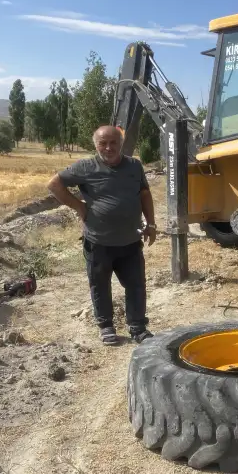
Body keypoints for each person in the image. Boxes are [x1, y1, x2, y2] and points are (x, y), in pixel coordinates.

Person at [47, 125, 157, 345]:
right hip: (99, 242)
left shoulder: (134, 166)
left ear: (121, 143)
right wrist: (79, 206)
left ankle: (138, 328)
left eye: (113, 142)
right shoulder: (85, 167)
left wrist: (151, 223)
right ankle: (106, 326)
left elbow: (144, 193)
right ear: (95, 145)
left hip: (130, 241)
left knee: (136, 284)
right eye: (102, 143)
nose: (108, 147)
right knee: (100, 285)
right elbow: (54, 184)